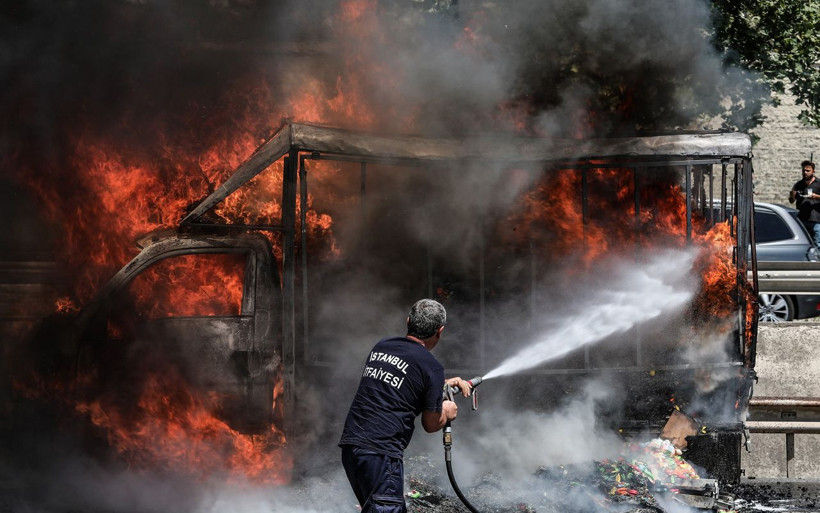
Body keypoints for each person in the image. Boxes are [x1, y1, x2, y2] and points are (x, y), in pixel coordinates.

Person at [339, 299, 471, 513]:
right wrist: (447, 412)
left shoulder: (382, 346)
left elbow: (402, 384)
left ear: (408, 321)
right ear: (440, 331)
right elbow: (431, 423)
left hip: (352, 447)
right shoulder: (432, 366)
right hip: (381, 454)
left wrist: (442, 384)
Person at [789, 160, 820, 246]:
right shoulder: (798, 184)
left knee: (817, 244)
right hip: (801, 220)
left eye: (808, 170)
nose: (805, 172)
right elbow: (791, 201)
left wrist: (816, 196)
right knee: (803, 245)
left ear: (813, 171)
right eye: (803, 170)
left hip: (816, 220)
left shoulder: (818, 184)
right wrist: (792, 196)